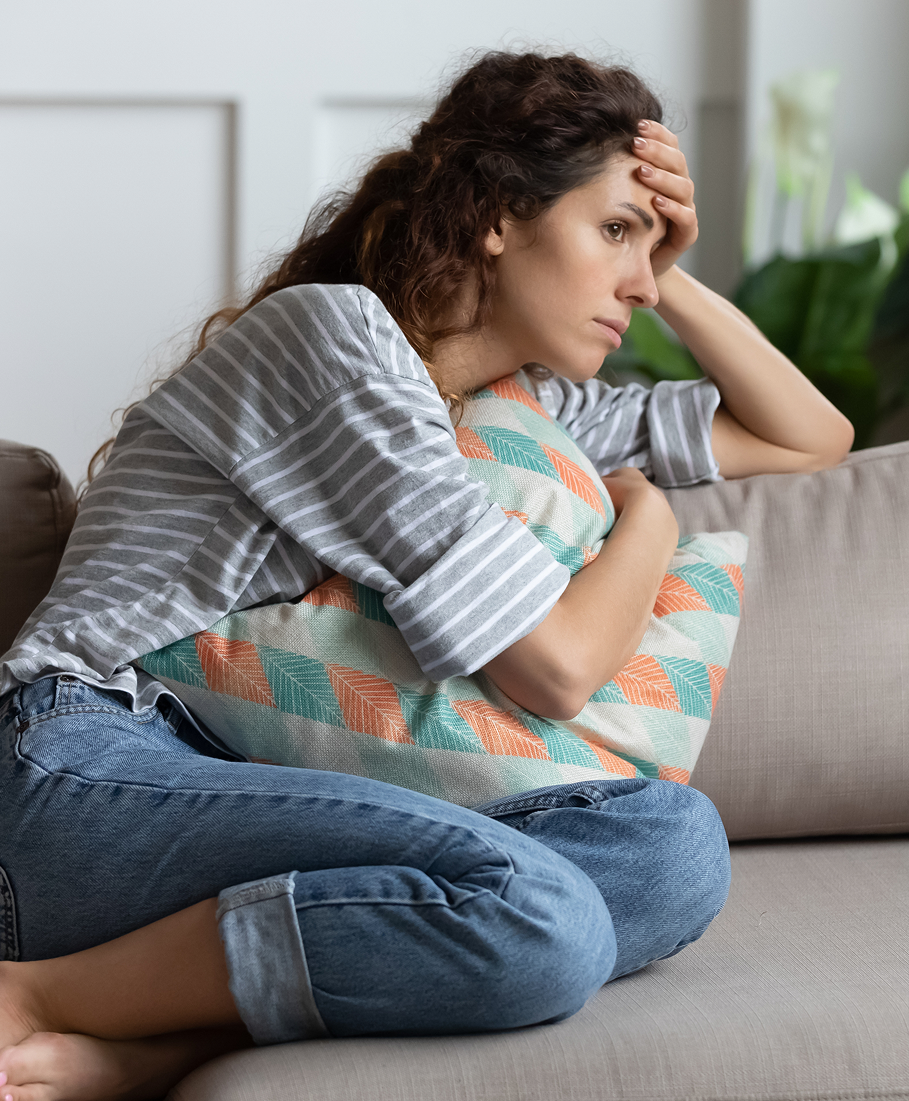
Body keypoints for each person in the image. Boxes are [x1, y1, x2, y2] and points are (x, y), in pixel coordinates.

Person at [0, 51, 852, 1101]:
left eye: (647, 244)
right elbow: (556, 669)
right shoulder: (339, 342)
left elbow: (814, 437)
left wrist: (667, 275)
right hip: (85, 771)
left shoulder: (520, 408)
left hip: (249, 779)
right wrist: (652, 517)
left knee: (668, 846)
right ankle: (32, 1000)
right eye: (615, 231)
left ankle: (166, 1039)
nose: (635, 276)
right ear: (498, 213)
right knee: (544, 914)